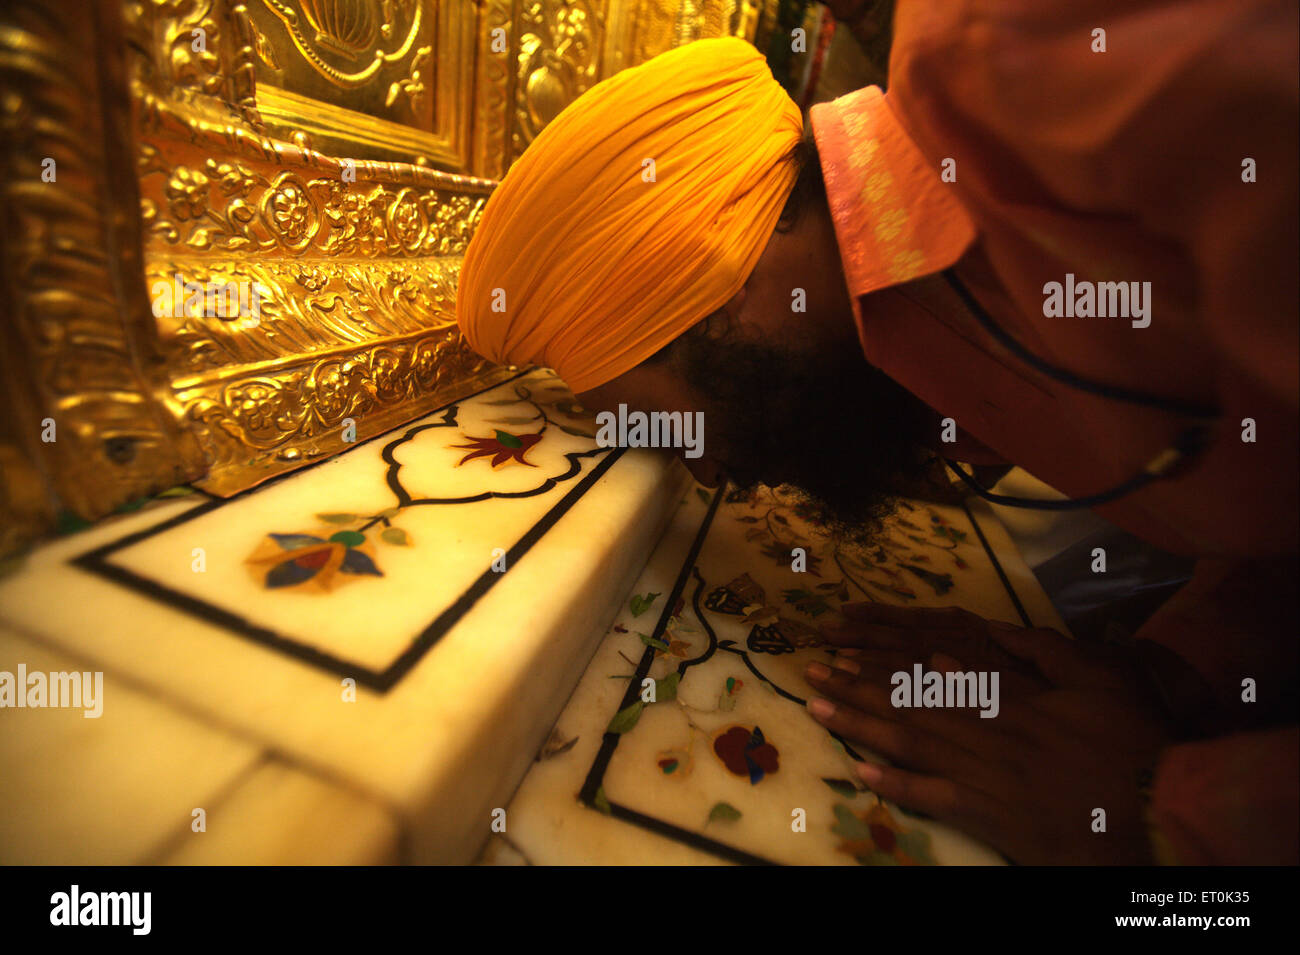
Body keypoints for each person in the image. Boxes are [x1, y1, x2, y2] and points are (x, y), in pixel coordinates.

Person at [456, 2, 1298, 864]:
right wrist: (1167, 677)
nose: (705, 472)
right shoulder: (915, 364)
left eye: (673, 435)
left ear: (719, 281)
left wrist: (1174, 810)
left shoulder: (1019, 55)